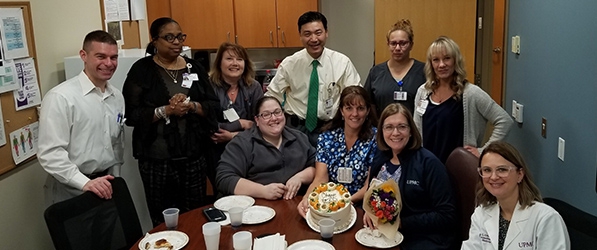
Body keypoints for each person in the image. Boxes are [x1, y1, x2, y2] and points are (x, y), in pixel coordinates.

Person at [122, 17, 219, 226]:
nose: (177, 42)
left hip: (194, 157)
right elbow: (132, 114)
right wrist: (167, 110)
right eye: (169, 37)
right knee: (164, 218)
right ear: (155, 40)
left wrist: (191, 106)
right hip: (157, 160)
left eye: (180, 36)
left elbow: (213, 105)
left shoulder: (194, 68)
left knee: (195, 215)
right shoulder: (142, 70)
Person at [38, 30, 123, 207]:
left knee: (109, 234)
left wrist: (114, 178)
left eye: (113, 57)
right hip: (71, 186)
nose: (108, 63)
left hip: (105, 184)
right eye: (101, 56)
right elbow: (50, 154)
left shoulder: (116, 96)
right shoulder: (61, 97)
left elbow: (115, 143)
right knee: (78, 235)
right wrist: (85, 183)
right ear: (83, 55)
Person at [363, 103, 457, 250]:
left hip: (422, 239)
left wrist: (401, 223)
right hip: (384, 235)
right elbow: (372, 191)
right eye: (389, 127)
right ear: (381, 131)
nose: (395, 133)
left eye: (402, 126)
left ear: (411, 131)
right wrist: (371, 213)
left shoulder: (429, 164)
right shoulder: (380, 157)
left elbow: (447, 216)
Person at [265, 11, 361, 146]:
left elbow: (355, 97)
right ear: (300, 35)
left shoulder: (342, 63)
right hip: (296, 129)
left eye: (318, 32)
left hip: (330, 129)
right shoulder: (289, 64)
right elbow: (272, 97)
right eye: (307, 34)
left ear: (326, 32)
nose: (314, 39)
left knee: (327, 167)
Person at [414, 36, 513, 163]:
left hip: (459, 169)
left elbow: (505, 121)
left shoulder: (471, 93)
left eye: (447, 58)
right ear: (431, 64)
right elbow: (416, 129)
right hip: (428, 167)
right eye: (436, 60)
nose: (442, 64)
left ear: (456, 60)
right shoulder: (423, 92)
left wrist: (483, 151)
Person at [461, 141, 570, 250]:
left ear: (520, 174)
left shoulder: (546, 218)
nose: (493, 177)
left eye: (502, 170)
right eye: (487, 170)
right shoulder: (481, 214)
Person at [297, 86, 378, 217]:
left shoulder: (375, 139)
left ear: (368, 111)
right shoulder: (326, 137)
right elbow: (320, 179)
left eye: (360, 108)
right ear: (341, 111)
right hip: (329, 204)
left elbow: (369, 186)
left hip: (361, 207)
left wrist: (344, 204)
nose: (355, 114)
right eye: (349, 108)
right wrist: (307, 197)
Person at [216, 96, 316, 200]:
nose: (274, 118)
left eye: (277, 112)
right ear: (257, 120)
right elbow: (224, 178)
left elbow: (318, 166)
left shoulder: (299, 138)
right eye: (266, 115)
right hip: (257, 207)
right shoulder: (242, 142)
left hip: (296, 203)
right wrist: (262, 191)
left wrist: (299, 178)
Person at [208, 42, 263, 192]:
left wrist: (232, 135)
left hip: (249, 149)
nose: (235, 63)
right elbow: (207, 125)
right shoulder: (209, 87)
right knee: (223, 193)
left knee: (248, 193)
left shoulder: (254, 87)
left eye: (239, 59)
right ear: (219, 62)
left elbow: (260, 125)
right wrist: (241, 123)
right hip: (216, 152)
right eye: (229, 59)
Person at [364, 19, 425, 115]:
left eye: (403, 43)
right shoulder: (376, 72)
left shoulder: (424, 71)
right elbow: (368, 104)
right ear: (388, 44)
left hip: (414, 128)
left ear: (411, 45)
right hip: (383, 128)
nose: (397, 48)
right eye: (393, 43)